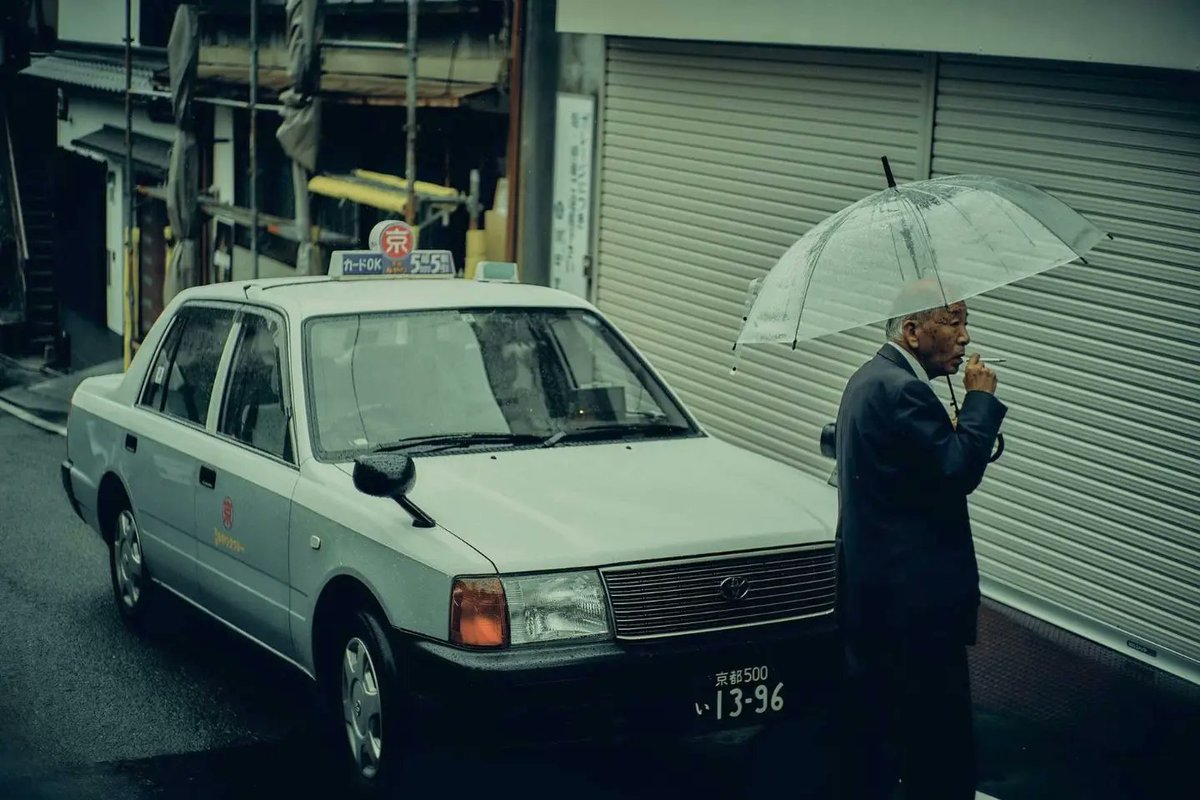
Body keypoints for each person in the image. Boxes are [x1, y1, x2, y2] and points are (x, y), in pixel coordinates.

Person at [834, 282, 1007, 799]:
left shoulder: (869, 380)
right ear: (912, 331)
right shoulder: (903, 390)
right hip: (916, 607)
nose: (964, 336)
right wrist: (979, 401)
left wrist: (957, 425)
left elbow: (922, 470)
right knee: (938, 746)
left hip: (878, 597)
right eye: (952, 322)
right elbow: (955, 472)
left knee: (886, 739)